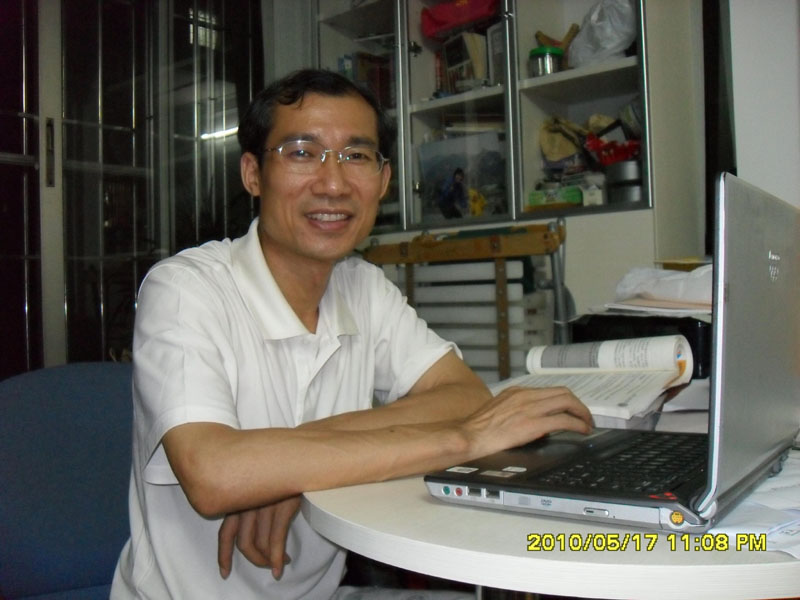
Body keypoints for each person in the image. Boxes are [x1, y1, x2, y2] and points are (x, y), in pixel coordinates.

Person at [110, 69, 592, 599]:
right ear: (253, 174)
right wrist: (465, 440)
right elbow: (214, 473)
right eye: (302, 152)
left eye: (356, 156)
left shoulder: (362, 286)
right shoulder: (186, 289)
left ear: (383, 182)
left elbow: (463, 395)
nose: (334, 183)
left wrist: (288, 469)